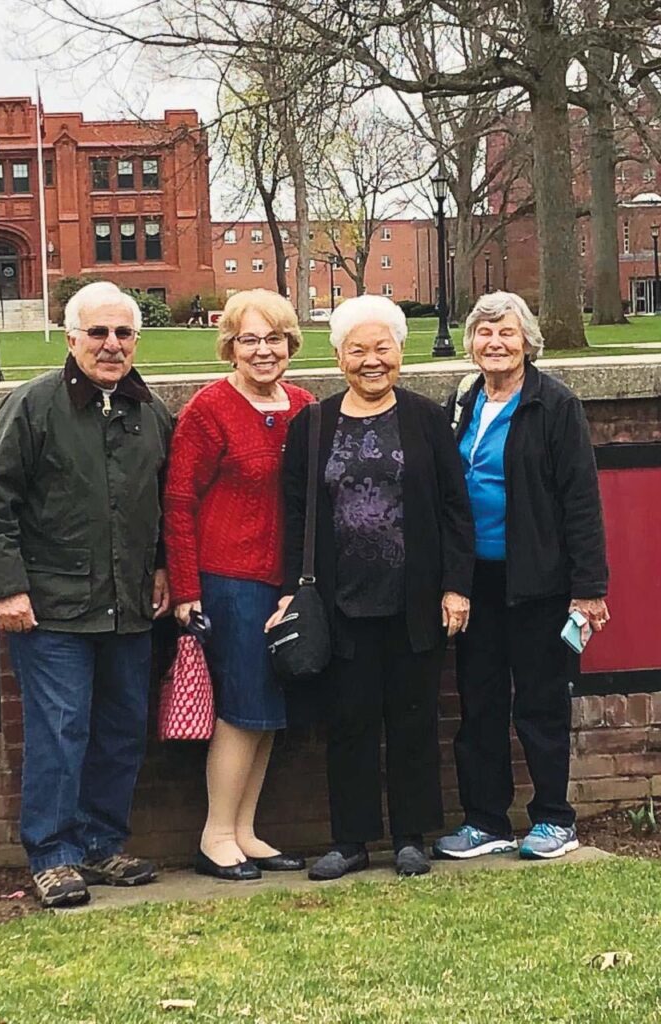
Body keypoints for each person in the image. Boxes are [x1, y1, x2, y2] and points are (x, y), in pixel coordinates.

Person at [0, 281, 173, 908]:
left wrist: (162, 567)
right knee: (60, 728)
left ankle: (103, 843)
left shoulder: (151, 413)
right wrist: (8, 589)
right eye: (98, 333)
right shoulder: (33, 406)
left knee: (120, 729)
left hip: (131, 604)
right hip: (52, 608)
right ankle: (53, 853)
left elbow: (164, 504)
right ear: (72, 337)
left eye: (123, 333)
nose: (112, 345)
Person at [267, 295, 474, 880]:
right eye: (357, 350)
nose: (371, 360)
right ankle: (351, 839)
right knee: (349, 722)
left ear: (400, 353)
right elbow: (296, 514)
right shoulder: (312, 426)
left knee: (413, 720)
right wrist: (291, 590)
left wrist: (456, 586)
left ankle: (411, 837)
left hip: (415, 598)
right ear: (338, 357)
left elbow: (458, 512)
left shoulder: (428, 420)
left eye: (382, 348)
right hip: (341, 601)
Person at [434, 292, 609, 862]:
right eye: (484, 333)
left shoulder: (554, 405)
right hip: (474, 580)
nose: (495, 343)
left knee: (539, 704)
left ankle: (555, 819)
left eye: (506, 333)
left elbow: (582, 502)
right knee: (479, 702)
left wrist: (589, 591)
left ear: (527, 340)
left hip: (539, 581)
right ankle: (485, 819)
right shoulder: (463, 401)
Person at [164, 288, 314, 881]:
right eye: (249, 339)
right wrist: (185, 589)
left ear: (290, 344)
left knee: (268, 708)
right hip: (228, 581)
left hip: (284, 582)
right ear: (230, 346)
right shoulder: (209, 409)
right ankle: (215, 835)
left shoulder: (304, 404)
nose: (262, 350)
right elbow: (177, 502)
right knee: (241, 708)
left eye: (273, 338)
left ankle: (246, 830)